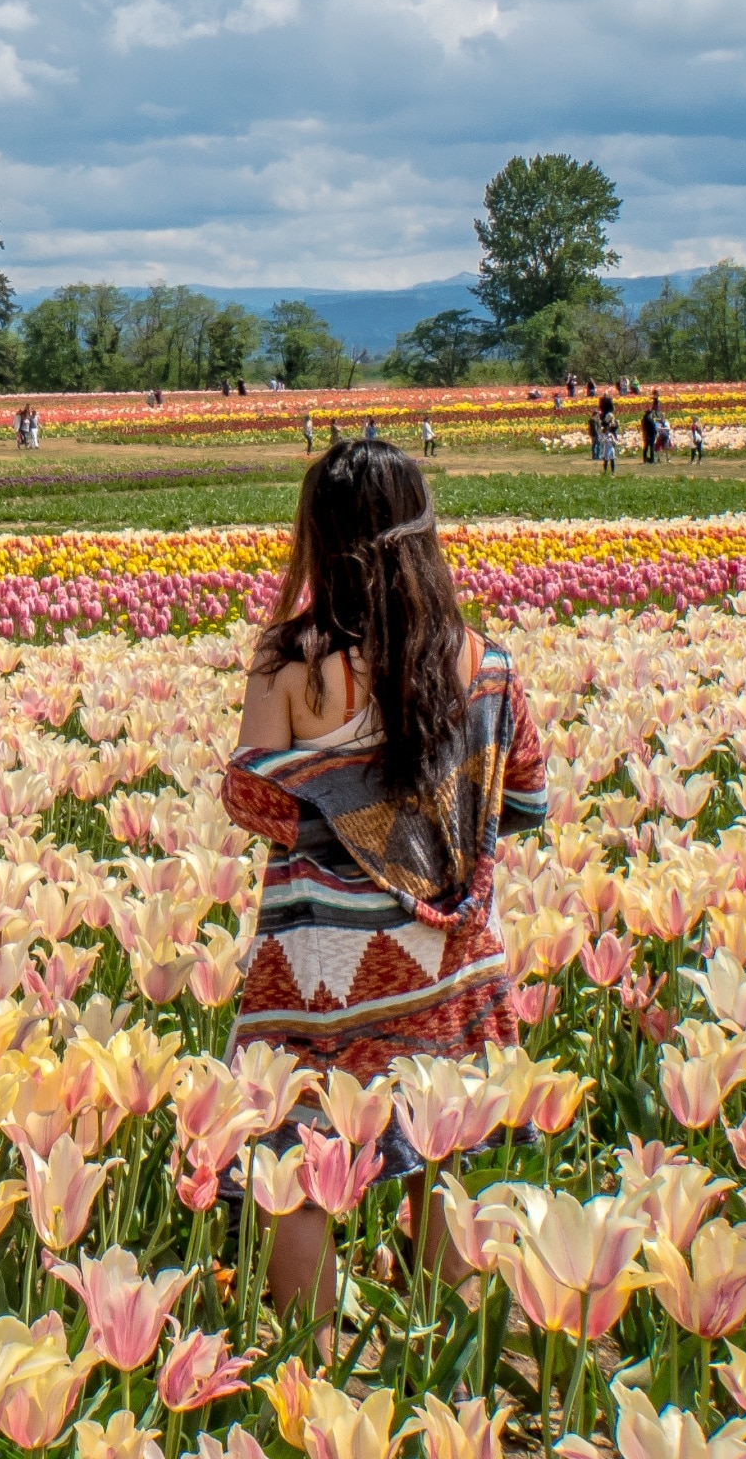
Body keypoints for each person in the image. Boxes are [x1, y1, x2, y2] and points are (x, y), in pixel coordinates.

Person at [223, 439, 548, 1327]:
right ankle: (444, 1359)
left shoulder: (292, 661)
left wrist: (340, 810)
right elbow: (527, 795)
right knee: (436, 1149)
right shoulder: (485, 663)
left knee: (297, 1167)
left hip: (320, 964)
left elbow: (252, 799)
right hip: (445, 949)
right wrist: (424, 824)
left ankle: (312, 1372)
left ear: (319, 539)